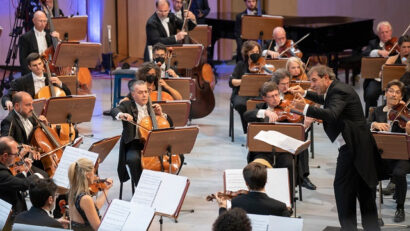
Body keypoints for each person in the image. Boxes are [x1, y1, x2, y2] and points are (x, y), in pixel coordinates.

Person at [290, 65, 380, 230]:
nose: (312, 84)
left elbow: (331, 113)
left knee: (343, 190)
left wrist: (303, 108)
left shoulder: (339, 91)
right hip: (359, 146)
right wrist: (304, 93)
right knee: (364, 192)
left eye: (314, 80)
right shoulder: (336, 89)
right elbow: (326, 99)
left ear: (326, 78)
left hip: (352, 148)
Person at [111, 80, 173, 185]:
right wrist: (122, 115)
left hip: (154, 144)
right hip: (134, 144)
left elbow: (169, 123)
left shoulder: (152, 107)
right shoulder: (127, 105)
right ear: (133, 94)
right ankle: (140, 188)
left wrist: (161, 114)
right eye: (140, 92)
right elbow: (114, 111)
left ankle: (162, 187)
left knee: (178, 158)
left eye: (146, 92)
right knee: (133, 160)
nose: (144, 95)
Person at [368, 80, 410, 223]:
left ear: (402, 96)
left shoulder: (406, 113)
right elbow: (364, 125)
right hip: (381, 154)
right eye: (391, 91)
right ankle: (372, 209)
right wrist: (374, 124)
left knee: (399, 173)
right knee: (369, 170)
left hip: (401, 156)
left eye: (398, 92)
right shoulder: (377, 111)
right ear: (385, 93)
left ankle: (400, 207)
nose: (394, 94)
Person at [269, 69, 316, 190]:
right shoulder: (271, 95)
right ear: (276, 84)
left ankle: (303, 176)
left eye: (288, 83)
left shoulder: (292, 95)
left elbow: (300, 111)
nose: (286, 86)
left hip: (292, 125)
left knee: (302, 137)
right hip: (276, 131)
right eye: (283, 84)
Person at [215, 162, 290, 217]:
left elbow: (226, 225)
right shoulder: (280, 207)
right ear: (266, 180)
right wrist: (287, 212)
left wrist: (222, 207)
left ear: (246, 184)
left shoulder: (236, 202)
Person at [2, 53, 71, 111]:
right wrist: (7, 102)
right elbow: (6, 96)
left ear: (43, 64)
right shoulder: (21, 81)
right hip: (32, 114)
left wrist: (60, 83)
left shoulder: (51, 77)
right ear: (29, 67)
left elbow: (68, 94)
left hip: (52, 111)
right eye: (35, 65)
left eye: (39, 64)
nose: (38, 67)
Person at [0, 136, 40, 225]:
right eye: (15, 154)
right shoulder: (1, 173)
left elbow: (11, 181)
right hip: (10, 220)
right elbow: (23, 185)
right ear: (5, 156)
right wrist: (36, 176)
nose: (18, 157)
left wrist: (25, 172)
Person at [68, 157, 113, 231]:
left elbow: (94, 208)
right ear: (88, 174)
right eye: (93, 171)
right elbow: (98, 228)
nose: (96, 176)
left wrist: (106, 189)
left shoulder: (73, 191)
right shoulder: (85, 198)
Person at [362, 21, 394, 118]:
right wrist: (378, 51)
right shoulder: (373, 43)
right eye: (382, 32)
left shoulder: (397, 44)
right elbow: (365, 54)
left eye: (386, 32)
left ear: (391, 32)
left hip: (393, 79)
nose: (384, 35)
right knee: (370, 94)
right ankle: (371, 118)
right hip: (377, 79)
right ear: (378, 34)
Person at [229, 40, 262, 133]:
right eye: (252, 52)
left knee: (262, 104)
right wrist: (246, 80)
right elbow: (232, 81)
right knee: (241, 104)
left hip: (257, 93)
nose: (255, 54)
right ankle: (248, 130)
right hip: (241, 94)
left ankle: (258, 130)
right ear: (247, 53)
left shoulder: (262, 64)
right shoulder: (241, 65)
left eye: (257, 52)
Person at [19, 11, 60, 75]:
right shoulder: (25, 37)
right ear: (34, 20)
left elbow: (57, 51)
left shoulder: (50, 35)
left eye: (45, 21)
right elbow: (23, 60)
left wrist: (58, 39)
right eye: (40, 21)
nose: (43, 24)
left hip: (48, 68)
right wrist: (30, 75)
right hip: (34, 70)